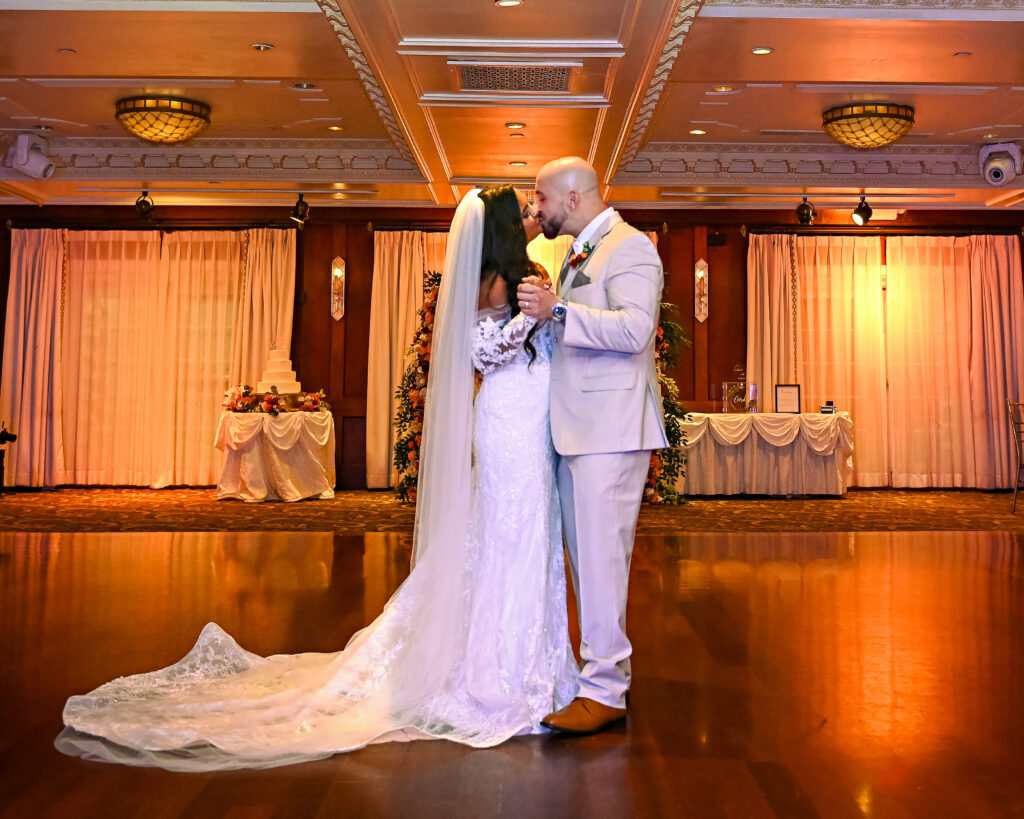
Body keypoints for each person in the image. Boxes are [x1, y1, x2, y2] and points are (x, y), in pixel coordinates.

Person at [54, 185, 578, 771]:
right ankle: (501, 672)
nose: (536, 216)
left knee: (526, 533)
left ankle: (534, 659)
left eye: (538, 208)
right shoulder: (495, 282)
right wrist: (532, 322)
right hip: (508, 422)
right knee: (512, 533)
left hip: (529, 418)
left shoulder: (523, 275)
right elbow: (481, 353)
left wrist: (546, 316)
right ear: (508, 228)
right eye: (526, 213)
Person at [518, 157, 667, 736]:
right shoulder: (583, 248)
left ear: (574, 198)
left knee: (602, 564)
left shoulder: (630, 247)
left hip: (609, 430)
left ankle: (606, 692)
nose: (537, 208)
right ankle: (600, 676)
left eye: (542, 197)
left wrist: (557, 308)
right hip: (582, 429)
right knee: (590, 565)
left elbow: (634, 331)